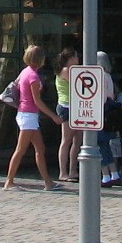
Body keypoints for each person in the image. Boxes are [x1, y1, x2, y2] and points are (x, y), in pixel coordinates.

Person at [3, 45, 63, 190]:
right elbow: (37, 101)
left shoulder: (25, 72)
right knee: (20, 150)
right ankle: (9, 182)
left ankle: (48, 182)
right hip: (28, 115)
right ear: (40, 59)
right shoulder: (33, 76)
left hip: (27, 114)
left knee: (40, 149)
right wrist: (53, 116)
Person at [94, 51, 122, 188]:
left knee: (100, 146)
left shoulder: (99, 76)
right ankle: (114, 174)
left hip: (100, 113)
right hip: (109, 114)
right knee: (106, 146)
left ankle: (105, 176)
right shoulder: (109, 77)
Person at [55, 47, 81, 183]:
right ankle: (63, 172)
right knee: (66, 140)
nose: (78, 59)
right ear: (70, 58)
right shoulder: (65, 71)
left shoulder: (73, 70)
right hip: (67, 107)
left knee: (77, 141)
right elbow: (79, 83)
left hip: (76, 107)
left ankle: (73, 170)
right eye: (76, 56)